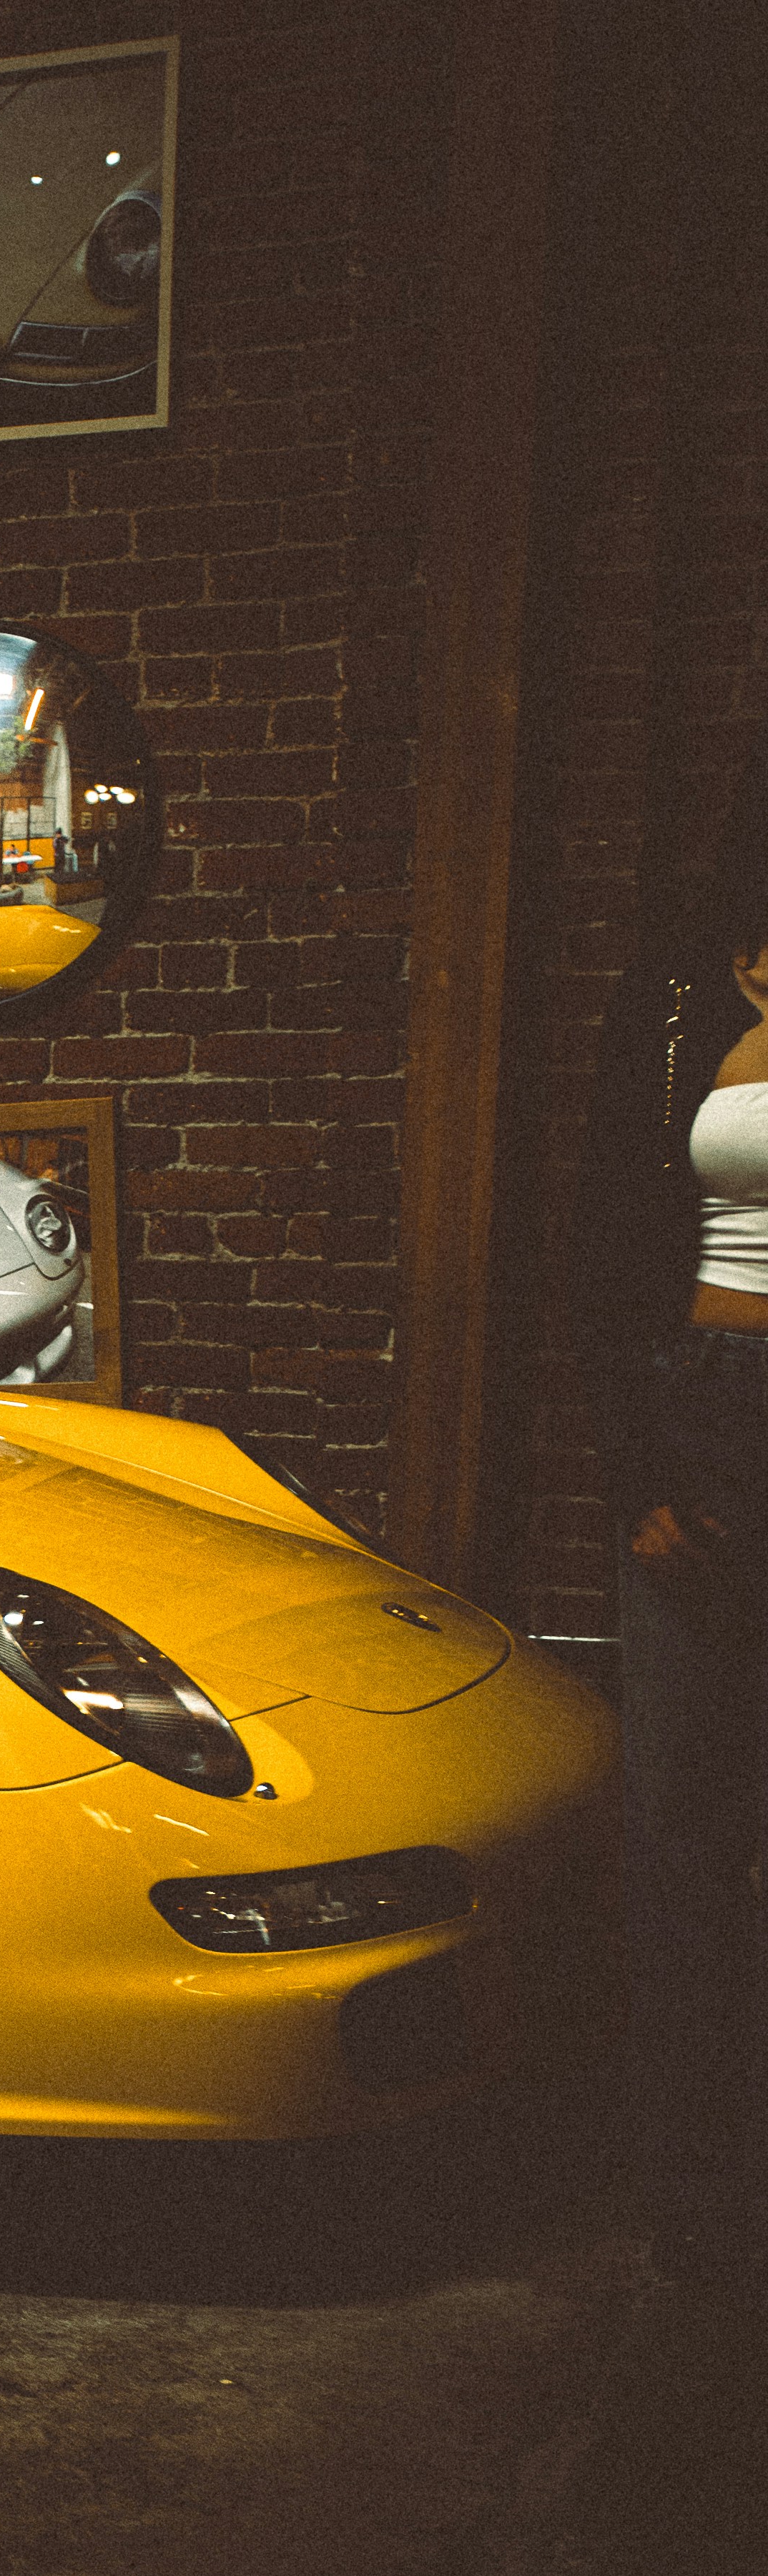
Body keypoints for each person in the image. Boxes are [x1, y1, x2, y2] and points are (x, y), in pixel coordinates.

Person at [575, 737, 768, 2282]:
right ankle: (685, 2190)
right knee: (680, 1823)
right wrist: (641, 1466)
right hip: (702, 1404)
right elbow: (605, 1237)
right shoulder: (687, 995)